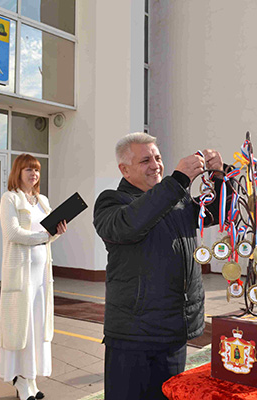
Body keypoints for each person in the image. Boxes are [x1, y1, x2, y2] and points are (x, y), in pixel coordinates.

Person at [93, 132, 225, 400]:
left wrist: (219, 176)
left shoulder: (177, 199)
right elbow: (131, 224)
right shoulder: (111, 202)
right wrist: (177, 181)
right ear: (124, 169)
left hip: (174, 333)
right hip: (133, 337)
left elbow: (216, 212)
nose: (155, 165)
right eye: (145, 160)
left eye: (158, 157)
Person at [0, 154, 67, 400]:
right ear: (18, 172)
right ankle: (22, 380)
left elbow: (49, 234)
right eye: (28, 169)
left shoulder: (42, 200)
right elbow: (13, 233)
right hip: (21, 274)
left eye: (36, 170)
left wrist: (57, 232)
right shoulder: (10, 199)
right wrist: (46, 236)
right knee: (22, 326)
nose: (33, 174)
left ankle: (31, 378)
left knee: (37, 325)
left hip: (42, 275)